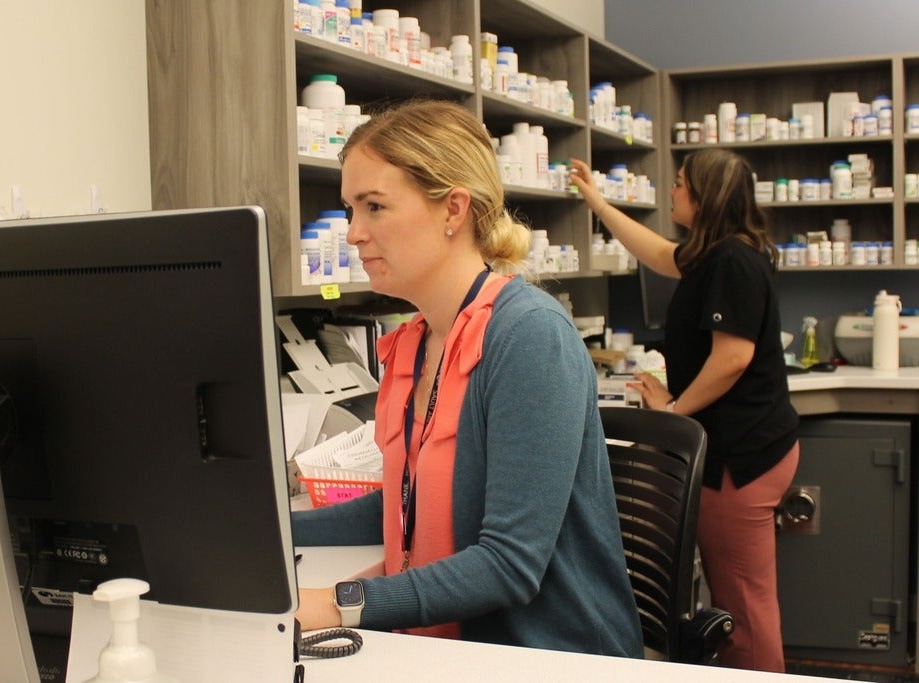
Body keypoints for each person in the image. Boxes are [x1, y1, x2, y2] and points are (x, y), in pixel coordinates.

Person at [292, 99, 643, 658]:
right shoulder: (415, 341)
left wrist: (335, 604)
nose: (354, 232)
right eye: (349, 208)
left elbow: (508, 565)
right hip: (448, 648)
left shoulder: (527, 337)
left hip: (547, 655)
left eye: (374, 206)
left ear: (453, 209)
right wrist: (275, 533)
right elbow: (405, 502)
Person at [570, 149, 800, 672]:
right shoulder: (718, 252)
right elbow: (656, 253)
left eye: (679, 184)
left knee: (743, 606)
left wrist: (675, 409)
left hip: (740, 459)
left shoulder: (732, 260)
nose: (671, 192)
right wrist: (596, 201)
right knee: (742, 598)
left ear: (705, 196)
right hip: (751, 448)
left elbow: (733, 357)